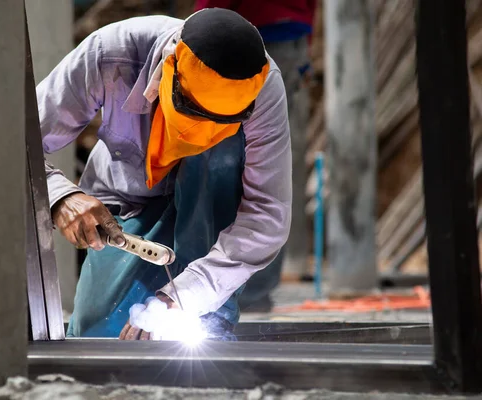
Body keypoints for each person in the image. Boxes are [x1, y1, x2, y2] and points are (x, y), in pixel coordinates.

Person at [38, 8, 291, 340]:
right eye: (193, 111)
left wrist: (188, 296)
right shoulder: (111, 54)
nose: (203, 133)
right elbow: (15, 143)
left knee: (219, 154)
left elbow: (267, 212)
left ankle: (213, 318)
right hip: (129, 201)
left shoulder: (264, 88)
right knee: (99, 336)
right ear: (168, 67)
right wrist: (60, 195)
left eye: (220, 122)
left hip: (212, 205)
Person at [194, 0, 316, 312]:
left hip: (236, 40)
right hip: (290, 36)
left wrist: (202, 30)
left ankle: (228, 294)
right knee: (274, 166)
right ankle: (250, 294)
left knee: (223, 161)